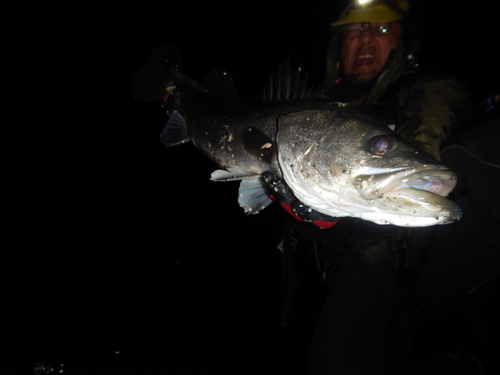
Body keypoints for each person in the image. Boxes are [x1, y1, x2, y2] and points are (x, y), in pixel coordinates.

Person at [264, 1, 497, 374]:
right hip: (329, 265)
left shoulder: (430, 89)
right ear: (337, 46)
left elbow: (427, 137)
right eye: (354, 31)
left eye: (382, 29)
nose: (367, 38)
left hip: (398, 257)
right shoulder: (311, 106)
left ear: (405, 42)